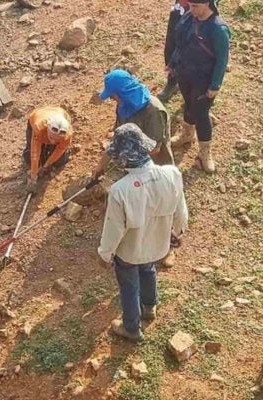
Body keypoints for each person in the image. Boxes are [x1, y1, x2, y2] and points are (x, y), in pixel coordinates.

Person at [97, 123, 188, 342]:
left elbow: (114, 227)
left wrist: (105, 253)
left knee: (129, 285)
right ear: (146, 148)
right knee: (148, 270)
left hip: (130, 250)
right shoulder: (172, 173)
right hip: (157, 244)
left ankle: (131, 328)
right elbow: (180, 208)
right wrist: (179, 230)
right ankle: (150, 307)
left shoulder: (121, 190)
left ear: (123, 159)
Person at [168, 0, 230, 173]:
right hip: (185, 73)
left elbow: (222, 60)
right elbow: (181, 43)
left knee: (201, 114)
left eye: (195, 6)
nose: (191, 10)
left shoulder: (218, 29)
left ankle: (205, 152)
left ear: (208, 4)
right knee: (188, 104)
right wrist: (173, 63)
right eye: (191, 6)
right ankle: (187, 135)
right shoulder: (189, 18)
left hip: (204, 80)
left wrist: (215, 85)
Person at [91, 69, 174, 179]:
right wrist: (100, 166)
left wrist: (128, 160)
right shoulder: (123, 106)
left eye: (112, 95)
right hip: (134, 163)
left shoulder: (154, 111)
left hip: (155, 164)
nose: (111, 98)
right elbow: (118, 138)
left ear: (123, 93)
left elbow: (155, 149)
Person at [23, 106, 73, 193]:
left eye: (56, 140)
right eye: (51, 137)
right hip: (39, 115)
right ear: (47, 129)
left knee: (59, 160)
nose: (53, 142)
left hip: (59, 112)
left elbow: (59, 150)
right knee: (29, 158)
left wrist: (46, 165)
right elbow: (35, 152)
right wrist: (33, 174)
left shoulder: (66, 136)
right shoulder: (38, 128)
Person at [158, 0, 191, 103]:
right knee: (171, 44)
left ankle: (192, 92)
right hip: (180, 8)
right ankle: (172, 82)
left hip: (200, 7)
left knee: (194, 47)